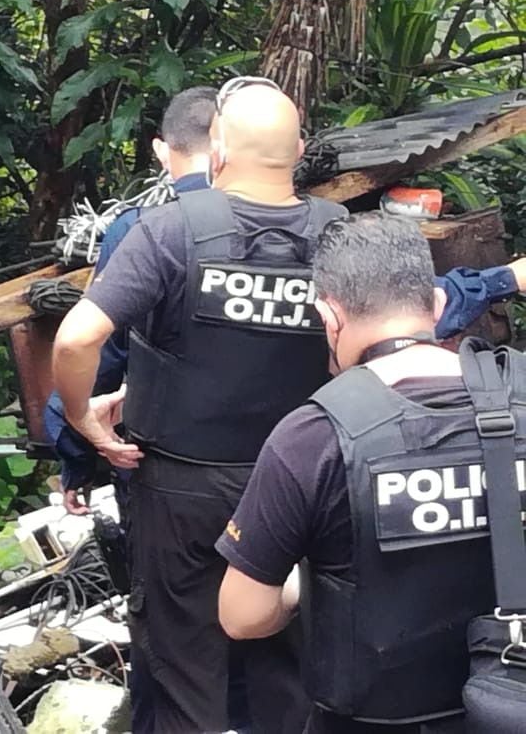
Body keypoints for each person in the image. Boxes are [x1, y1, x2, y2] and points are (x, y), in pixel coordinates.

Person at [54, 77, 344, 732]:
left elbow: (76, 337)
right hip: (302, 486)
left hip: (182, 492)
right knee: (292, 668)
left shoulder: (168, 232)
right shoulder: (337, 236)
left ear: (215, 150)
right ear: (299, 151)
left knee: (184, 670)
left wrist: (81, 417)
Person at [216, 213, 526, 734]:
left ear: (328, 316)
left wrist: (301, 590)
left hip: (377, 718)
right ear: (437, 304)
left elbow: (242, 615)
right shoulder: (519, 396)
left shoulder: (314, 437)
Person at [42, 86, 217, 516]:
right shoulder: (299, 227)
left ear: (161, 150)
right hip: (268, 468)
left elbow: (99, 350)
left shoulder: (144, 230)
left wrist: (77, 457)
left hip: (162, 467)